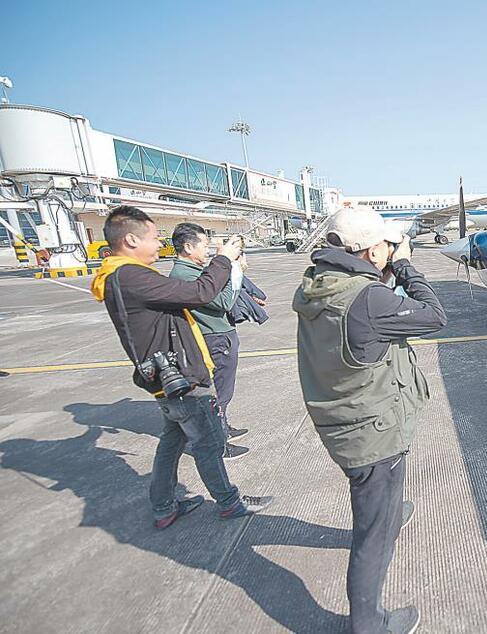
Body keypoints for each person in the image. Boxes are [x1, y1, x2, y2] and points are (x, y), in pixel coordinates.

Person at [294, 208, 447, 634]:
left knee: (381, 505)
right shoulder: (368, 296)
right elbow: (434, 315)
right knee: (373, 536)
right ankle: (369, 624)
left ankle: (391, 510)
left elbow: (366, 318)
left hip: (343, 419)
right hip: (373, 434)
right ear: (371, 248)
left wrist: (383, 267)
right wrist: (405, 265)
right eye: (385, 243)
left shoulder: (321, 284)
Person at [90, 206, 273, 530]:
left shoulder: (116, 276)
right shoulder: (132, 276)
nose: (159, 244)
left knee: (172, 441)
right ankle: (230, 503)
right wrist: (224, 259)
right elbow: (200, 292)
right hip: (182, 377)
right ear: (131, 239)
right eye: (152, 237)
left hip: (164, 377)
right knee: (208, 442)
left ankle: (163, 506)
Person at [168, 223, 249, 461]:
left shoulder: (192, 271)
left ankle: (223, 428)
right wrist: (235, 269)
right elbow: (223, 301)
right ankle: (219, 442)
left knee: (224, 389)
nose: (208, 251)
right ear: (188, 246)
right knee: (219, 393)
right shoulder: (185, 274)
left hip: (218, 335)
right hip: (214, 338)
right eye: (204, 245)